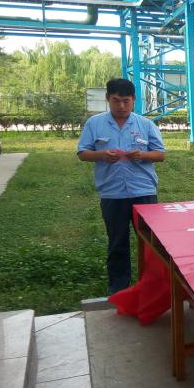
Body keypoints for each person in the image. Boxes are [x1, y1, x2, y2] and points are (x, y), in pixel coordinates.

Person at [77, 78, 165, 295]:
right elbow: (83, 153)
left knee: (150, 243)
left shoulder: (145, 124)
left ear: (134, 100)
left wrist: (142, 154)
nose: (121, 106)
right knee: (117, 242)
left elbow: (160, 154)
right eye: (116, 101)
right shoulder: (94, 123)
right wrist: (101, 155)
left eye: (126, 101)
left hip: (143, 192)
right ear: (108, 99)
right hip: (112, 193)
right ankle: (119, 289)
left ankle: (152, 287)